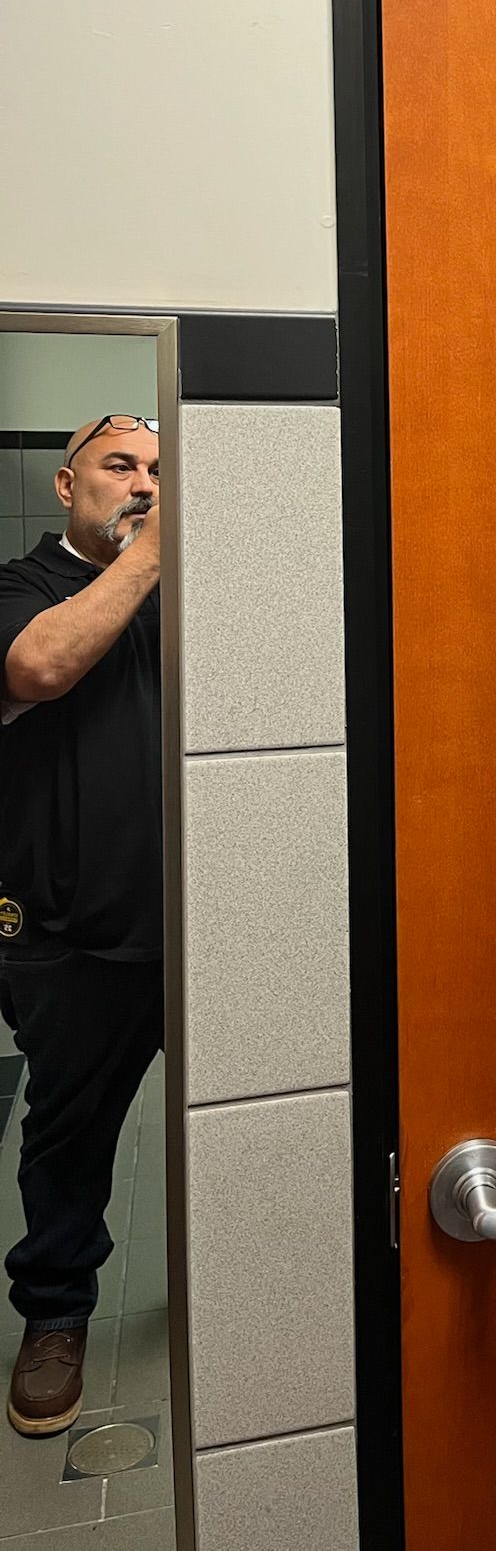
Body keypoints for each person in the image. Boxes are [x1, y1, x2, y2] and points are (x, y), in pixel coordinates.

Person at [0, 415, 162, 1438]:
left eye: (159, 468)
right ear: (67, 485)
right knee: (67, 1134)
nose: (142, 482)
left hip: (205, 927)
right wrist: (153, 551)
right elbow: (39, 669)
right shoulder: (22, 586)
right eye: (120, 465)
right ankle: (55, 1313)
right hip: (73, 936)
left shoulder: (189, 591)